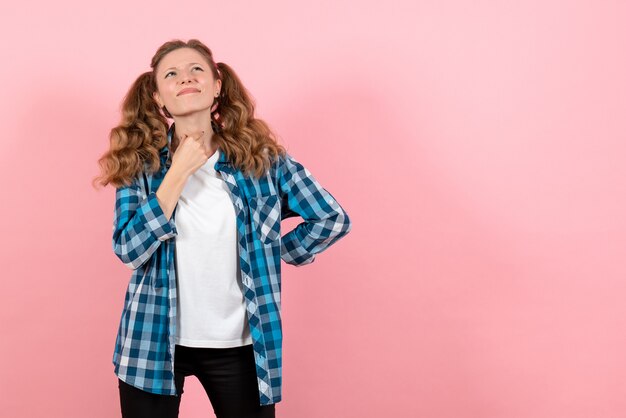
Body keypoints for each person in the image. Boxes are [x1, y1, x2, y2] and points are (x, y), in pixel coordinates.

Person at [93, 39, 353, 418]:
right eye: (171, 74)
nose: (185, 78)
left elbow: (332, 218)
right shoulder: (141, 164)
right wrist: (178, 171)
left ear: (216, 86)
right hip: (153, 340)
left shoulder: (263, 161)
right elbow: (129, 249)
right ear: (158, 98)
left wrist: (277, 249)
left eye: (196, 69)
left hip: (243, 345)